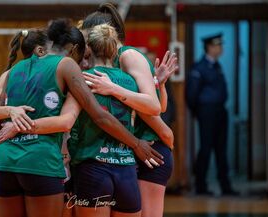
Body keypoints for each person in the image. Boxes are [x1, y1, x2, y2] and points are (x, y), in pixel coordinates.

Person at [0, 19, 163, 217]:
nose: (83, 64)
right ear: (74, 49)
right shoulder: (66, 65)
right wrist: (135, 143)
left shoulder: (13, 71)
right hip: (42, 162)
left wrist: (13, 118)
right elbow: (96, 116)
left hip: (5, 163)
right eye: (82, 57)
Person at [80, 3, 177, 217]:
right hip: (131, 150)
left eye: (86, 38)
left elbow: (153, 108)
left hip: (152, 150)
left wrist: (113, 88)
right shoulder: (104, 63)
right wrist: (159, 86)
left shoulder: (127, 56)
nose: (85, 45)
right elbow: (158, 105)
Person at [0, 28, 47, 217]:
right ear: (41, 51)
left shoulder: (49, 78)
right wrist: (10, 111)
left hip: (26, 166)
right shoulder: (10, 75)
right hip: (2, 169)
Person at [186, 33, 238, 196]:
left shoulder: (217, 66)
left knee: (221, 150)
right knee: (206, 148)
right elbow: (191, 95)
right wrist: (199, 112)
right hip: (206, 111)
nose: (221, 48)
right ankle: (201, 186)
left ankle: (226, 187)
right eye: (218, 45)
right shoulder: (199, 67)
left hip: (220, 111)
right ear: (210, 47)